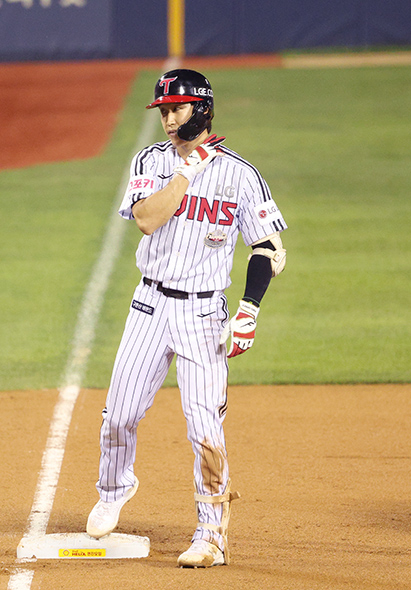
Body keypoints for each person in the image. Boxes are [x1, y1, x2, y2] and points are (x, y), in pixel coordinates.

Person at [86, 69, 287, 568]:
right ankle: (114, 489)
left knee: (205, 430)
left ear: (201, 109)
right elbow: (147, 219)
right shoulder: (150, 163)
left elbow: (267, 247)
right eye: (163, 111)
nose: (168, 120)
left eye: (176, 109)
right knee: (121, 414)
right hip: (149, 307)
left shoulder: (242, 175)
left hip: (202, 314)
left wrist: (248, 310)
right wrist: (186, 173)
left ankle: (211, 534)